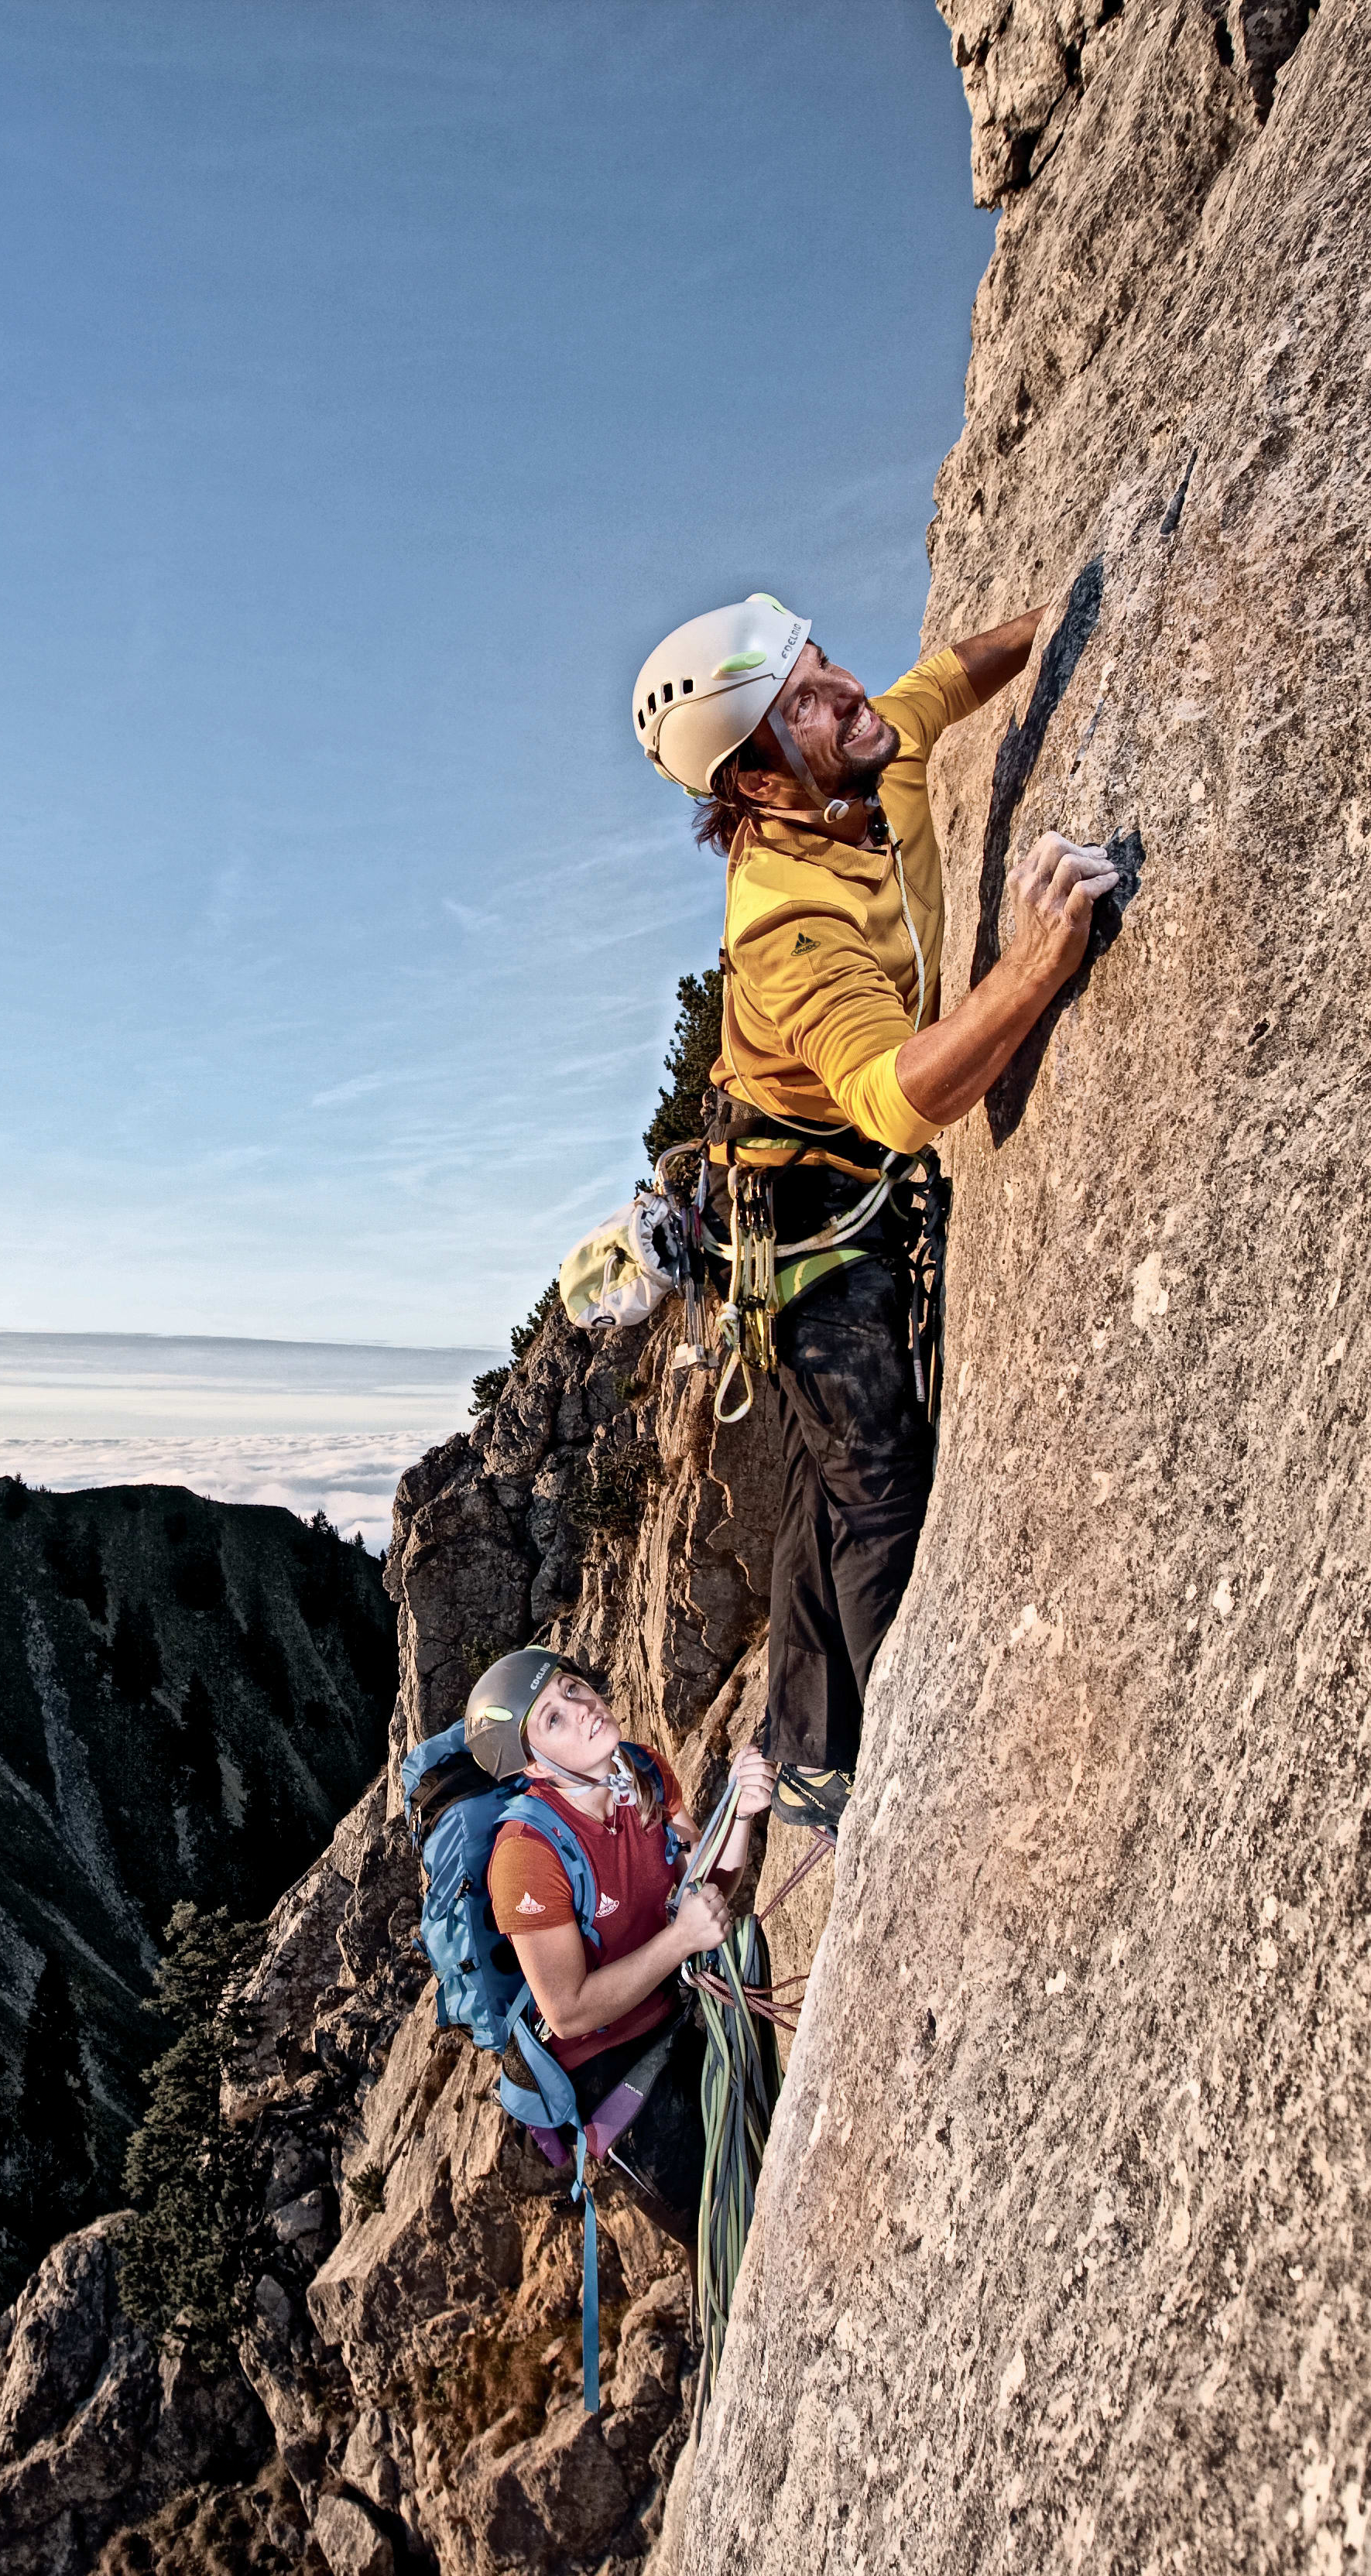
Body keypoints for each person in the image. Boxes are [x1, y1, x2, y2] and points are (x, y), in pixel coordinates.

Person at [626, 593, 1119, 1814]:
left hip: (802, 1178)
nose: (846, 692)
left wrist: (1067, 608)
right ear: (754, 779)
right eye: (802, 698)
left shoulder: (860, 754)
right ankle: (908, 1777)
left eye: (823, 662)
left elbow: (952, 676)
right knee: (875, 1479)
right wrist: (1037, 962)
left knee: (817, 1476)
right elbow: (897, 1100)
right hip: (805, 1222)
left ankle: (805, 1747)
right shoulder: (788, 920)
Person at [460, 1646, 766, 2235]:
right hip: (603, 2063)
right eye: (551, 1718)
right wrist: (679, 1944)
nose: (581, 1708)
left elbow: (704, 1888)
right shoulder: (526, 1855)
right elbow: (568, 2009)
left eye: (572, 1689)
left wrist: (743, 1815)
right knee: (727, 2229)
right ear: (534, 1765)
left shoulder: (642, 1769)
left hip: (670, 2008)